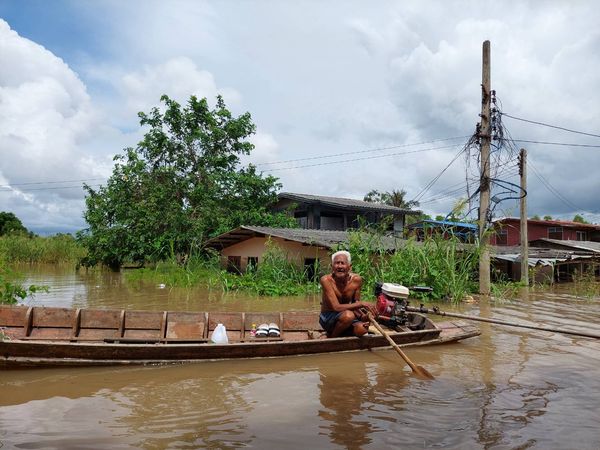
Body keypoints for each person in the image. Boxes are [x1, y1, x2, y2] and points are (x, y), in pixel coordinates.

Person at [319, 250, 377, 338]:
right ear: (332, 267)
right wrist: (361, 304)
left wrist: (364, 317)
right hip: (328, 317)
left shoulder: (356, 280)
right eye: (337, 263)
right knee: (348, 316)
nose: (339, 266)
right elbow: (336, 307)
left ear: (349, 267)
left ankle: (338, 332)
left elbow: (355, 304)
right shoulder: (326, 280)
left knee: (362, 329)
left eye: (343, 263)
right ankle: (332, 338)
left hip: (346, 317)